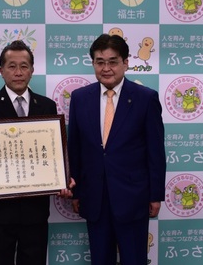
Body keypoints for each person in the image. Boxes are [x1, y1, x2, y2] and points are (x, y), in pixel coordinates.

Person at [0, 40, 74, 265]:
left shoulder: (46, 106)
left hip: (35, 212)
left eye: (24, 66)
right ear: (1, 71)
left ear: (32, 70)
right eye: (11, 66)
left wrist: (65, 177)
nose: (18, 72)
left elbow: (56, 152)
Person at [67, 34, 166, 265]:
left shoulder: (145, 98)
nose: (106, 68)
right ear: (93, 64)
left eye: (113, 61)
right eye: (100, 62)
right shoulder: (81, 98)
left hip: (133, 197)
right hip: (94, 197)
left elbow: (155, 151)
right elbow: (76, 147)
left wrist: (155, 195)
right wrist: (77, 191)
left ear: (126, 62)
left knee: (134, 259)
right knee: (100, 260)